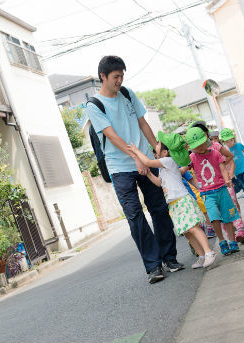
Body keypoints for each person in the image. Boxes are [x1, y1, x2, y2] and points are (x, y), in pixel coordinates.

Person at [86, 55, 183, 284]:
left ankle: (170, 258)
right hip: (120, 168)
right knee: (135, 216)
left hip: (147, 160)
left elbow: (142, 123)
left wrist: (155, 148)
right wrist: (134, 157)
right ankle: (153, 266)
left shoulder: (128, 94)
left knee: (159, 208)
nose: (120, 80)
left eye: (122, 76)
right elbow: (111, 135)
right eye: (115, 77)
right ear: (103, 77)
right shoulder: (94, 106)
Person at [129, 132, 217, 269]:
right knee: (187, 232)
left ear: (165, 152)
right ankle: (201, 256)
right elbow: (159, 183)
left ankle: (209, 252)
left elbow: (147, 162)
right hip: (174, 204)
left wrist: (135, 152)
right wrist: (149, 174)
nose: (155, 145)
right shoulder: (164, 167)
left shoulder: (167, 162)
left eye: (158, 144)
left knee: (193, 228)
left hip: (182, 200)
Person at [185, 127, 241, 256]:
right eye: (196, 146)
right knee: (214, 218)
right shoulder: (192, 157)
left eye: (201, 144)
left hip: (221, 189)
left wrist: (227, 179)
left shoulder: (215, 153)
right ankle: (222, 241)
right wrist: (195, 183)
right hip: (207, 193)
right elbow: (185, 171)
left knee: (227, 216)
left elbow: (222, 167)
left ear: (206, 140)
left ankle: (232, 241)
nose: (199, 148)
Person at [220, 128, 244, 205]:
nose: (229, 143)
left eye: (230, 140)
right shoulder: (226, 150)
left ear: (233, 139)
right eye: (227, 142)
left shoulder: (238, 145)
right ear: (224, 142)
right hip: (237, 172)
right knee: (243, 185)